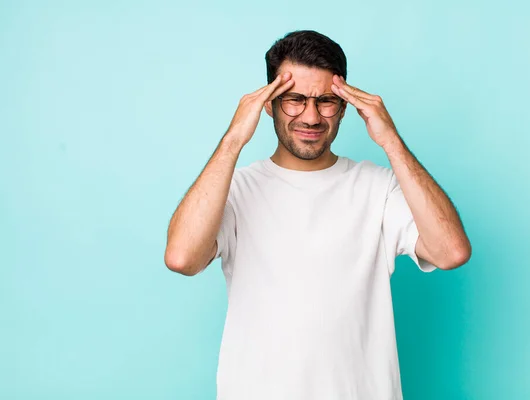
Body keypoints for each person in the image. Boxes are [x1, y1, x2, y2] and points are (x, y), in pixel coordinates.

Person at [164, 30, 471, 400]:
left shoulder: (378, 188)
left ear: (344, 106)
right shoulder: (235, 192)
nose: (311, 116)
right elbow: (182, 258)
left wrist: (391, 141)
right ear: (268, 104)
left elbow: (451, 251)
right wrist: (233, 141)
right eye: (294, 99)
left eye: (325, 101)